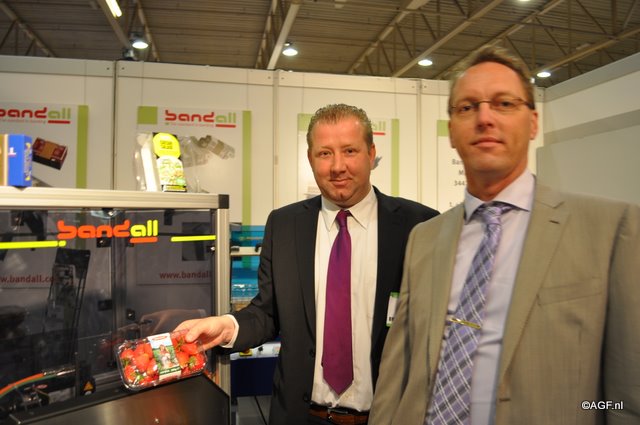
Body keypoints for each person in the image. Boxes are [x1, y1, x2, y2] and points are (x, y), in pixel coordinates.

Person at [369, 45, 640, 425]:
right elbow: (397, 373)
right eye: (467, 107)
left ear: (533, 122)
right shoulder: (425, 238)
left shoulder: (610, 230)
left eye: (504, 104)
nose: (484, 118)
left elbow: (627, 398)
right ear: (451, 131)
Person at [175, 103, 439, 425]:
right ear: (310, 159)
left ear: (371, 154)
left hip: (388, 418)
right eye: (324, 153)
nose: (337, 166)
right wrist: (227, 327)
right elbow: (267, 313)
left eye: (350, 151)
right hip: (301, 417)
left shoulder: (420, 226)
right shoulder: (285, 225)